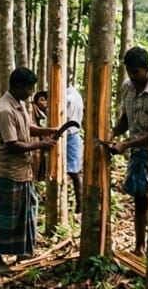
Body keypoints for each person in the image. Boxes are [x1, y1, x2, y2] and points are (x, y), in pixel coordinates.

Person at [0, 68, 58, 272]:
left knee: (27, 210)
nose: (31, 93)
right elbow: (12, 143)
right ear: (17, 86)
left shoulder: (19, 104)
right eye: (28, 89)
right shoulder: (4, 110)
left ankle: (22, 253)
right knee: (5, 215)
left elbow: (26, 128)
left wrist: (48, 130)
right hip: (8, 170)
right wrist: (41, 145)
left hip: (23, 170)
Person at [106, 46, 148, 256]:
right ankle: (139, 246)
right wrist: (113, 133)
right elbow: (126, 119)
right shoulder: (126, 87)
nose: (133, 76)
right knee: (140, 200)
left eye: (136, 72)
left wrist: (125, 145)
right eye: (129, 71)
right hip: (137, 153)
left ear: (147, 69)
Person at [64, 83, 84, 214]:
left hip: (69, 136)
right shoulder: (76, 94)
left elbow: (65, 119)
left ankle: (79, 205)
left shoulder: (69, 98)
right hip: (72, 136)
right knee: (73, 172)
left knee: (73, 173)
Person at [30, 90, 50, 181]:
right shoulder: (33, 109)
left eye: (46, 100)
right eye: (41, 100)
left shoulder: (45, 112)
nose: (44, 102)